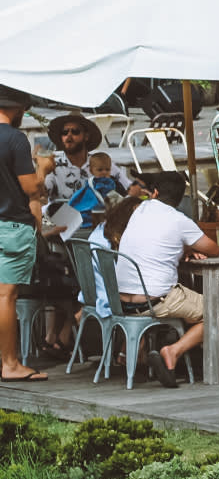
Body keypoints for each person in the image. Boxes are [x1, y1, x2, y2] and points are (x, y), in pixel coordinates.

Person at [105, 169, 217, 387]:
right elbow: (213, 249)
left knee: (191, 305)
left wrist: (182, 248)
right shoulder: (179, 220)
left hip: (121, 300)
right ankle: (173, 351)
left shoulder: (140, 210)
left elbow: (153, 241)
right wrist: (188, 247)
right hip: (155, 301)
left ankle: (168, 349)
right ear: (179, 198)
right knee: (215, 314)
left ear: (154, 193)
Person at [0, 87, 53, 381]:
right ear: (17, 108)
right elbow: (31, 189)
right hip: (11, 225)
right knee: (6, 296)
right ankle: (10, 364)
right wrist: (43, 169)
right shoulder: (14, 139)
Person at [44, 113, 125, 208]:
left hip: (98, 214)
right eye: (64, 132)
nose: (69, 135)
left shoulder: (101, 162)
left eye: (75, 131)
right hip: (64, 215)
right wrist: (41, 171)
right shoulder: (53, 166)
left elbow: (128, 188)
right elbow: (40, 196)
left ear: (86, 136)